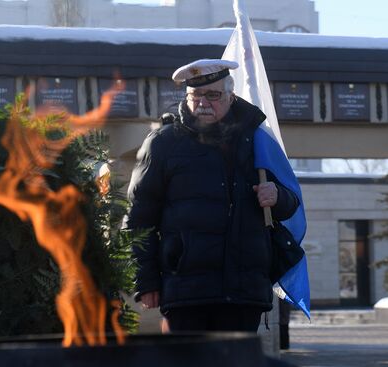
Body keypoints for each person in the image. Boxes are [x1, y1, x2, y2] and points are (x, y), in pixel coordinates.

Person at [124, 59, 300, 333]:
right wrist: (146, 283)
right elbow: (138, 219)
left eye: (213, 95)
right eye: (196, 96)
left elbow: (290, 202)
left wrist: (278, 197)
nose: (204, 103)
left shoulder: (257, 139)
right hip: (186, 291)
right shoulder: (163, 143)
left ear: (231, 96)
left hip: (244, 291)